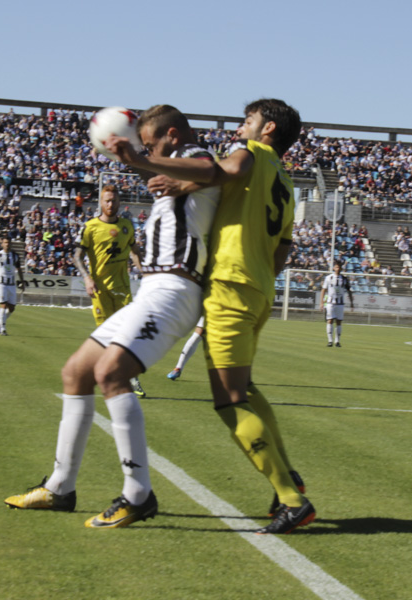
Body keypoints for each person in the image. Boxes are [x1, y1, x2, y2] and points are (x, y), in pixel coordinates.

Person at [5, 105, 220, 528]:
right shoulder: (176, 169)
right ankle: (60, 487)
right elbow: (172, 175)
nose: (148, 150)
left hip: (176, 288)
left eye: (153, 143)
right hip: (150, 291)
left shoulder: (200, 159)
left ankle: (138, 494)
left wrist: (138, 158)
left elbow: (209, 169)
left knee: (112, 373)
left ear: (173, 137)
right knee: (76, 372)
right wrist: (136, 163)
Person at [145, 99, 313, 534]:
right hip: (258, 288)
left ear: (268, 128)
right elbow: (283, 248)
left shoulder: (253, 155)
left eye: (247, 122)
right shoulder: (286, 181)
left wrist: (163, 167)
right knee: (245, 388)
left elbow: (229, 171)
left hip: (230, 285)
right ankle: (287, 476)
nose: (239, 130)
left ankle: (292, 500)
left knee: (228, 399)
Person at [72, 186, 146, 397]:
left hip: (122, 289)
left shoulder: (127, 226)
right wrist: (87, 278)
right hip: (100, 291)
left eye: (113, 201)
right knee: (106, 336)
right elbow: (77, 256)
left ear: (119, 202)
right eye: (107, 201)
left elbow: (135, 252)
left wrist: (145, 274)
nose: (110, 204)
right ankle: (109, 375)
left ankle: (131, 377)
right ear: (101, 203)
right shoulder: (90, 227)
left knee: (128, 334)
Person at [0, 235, 24, 336]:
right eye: (5, 242)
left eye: (8, 242)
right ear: (2, 244)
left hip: (11, 284)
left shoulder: (15, 256)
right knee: (3, 304)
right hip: (1, 283)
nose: (7, 244)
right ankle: (2, 328)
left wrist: (22, 282)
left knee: (12, 308)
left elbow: (19, 269)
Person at [319, 261, 354, 347]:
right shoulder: (328, 278)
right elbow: (323, 290)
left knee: (339, 322)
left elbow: (349, 291)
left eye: (339, 267)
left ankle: (337, 341)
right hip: (330, 302)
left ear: (341, 268)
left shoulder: (345, 279)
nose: (338, 269)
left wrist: (351, 302)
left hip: (340, 303)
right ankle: (330, 341)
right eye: (336, 267)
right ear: (334, 268)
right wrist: (321, 302)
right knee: (330, 320)